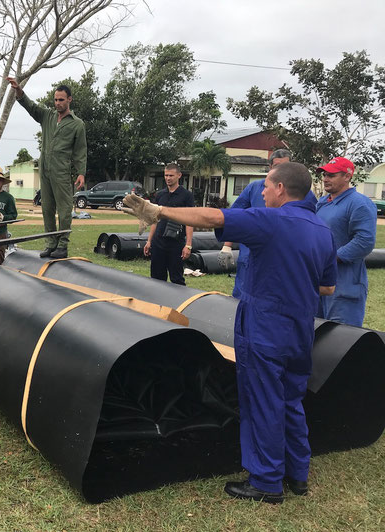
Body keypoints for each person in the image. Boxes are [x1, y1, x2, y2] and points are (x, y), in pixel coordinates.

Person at [123, 162, 337, 504]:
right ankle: (298, 474)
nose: (262, 192)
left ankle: (266, 482)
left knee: (262, 400)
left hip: (266, 324)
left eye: (266, 186)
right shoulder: (321, 230)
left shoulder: (271, 220)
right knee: (290, 399)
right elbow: (326, 287)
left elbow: (213, 218)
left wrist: (158, 209)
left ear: (281, 189)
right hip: (300, 327)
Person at [219, 149, 318, 298]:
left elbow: (311, 222)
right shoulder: (254, 188)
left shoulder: (303, 193)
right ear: (270, 167)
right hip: (251, 255)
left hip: (285, 255)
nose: (281, 170)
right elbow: (235, 216)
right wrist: (227, 246)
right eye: (277, 166)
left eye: (285, 166)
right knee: (244, 297)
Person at [7, 76, 87, 259]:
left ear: (69, 100)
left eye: (61, 99)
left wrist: (81, 172)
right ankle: (50, 243)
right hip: (44, 170)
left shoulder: (77, 124)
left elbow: (81, 150)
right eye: (55, 99)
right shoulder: (48, 117)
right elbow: (32, 107)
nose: (57, 103)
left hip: (62, 171)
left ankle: (63, 245)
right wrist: (19, 92)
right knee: (47, 208)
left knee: (65, 209)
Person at [315, 156, 376, 327]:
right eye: (325, 174)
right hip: (319, 281)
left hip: (345, 285)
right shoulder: (322, 203)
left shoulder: (359, 204)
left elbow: (364, 241)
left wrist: (330, 258)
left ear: (347, 176)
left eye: (332, 175)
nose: (326, 179)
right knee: (315, 334)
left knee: (339, 338)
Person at [143, 164, 194, 285]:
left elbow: (190, 221)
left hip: (175, 243)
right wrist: (149, 241)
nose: (168, 178)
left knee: (176, 279)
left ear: (179, 175)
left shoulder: (186, 195)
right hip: (158, 242)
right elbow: (155, 220)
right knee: (156, 279)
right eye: (166, 175)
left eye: (171, 175)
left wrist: (188, 245)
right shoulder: (160, 195)